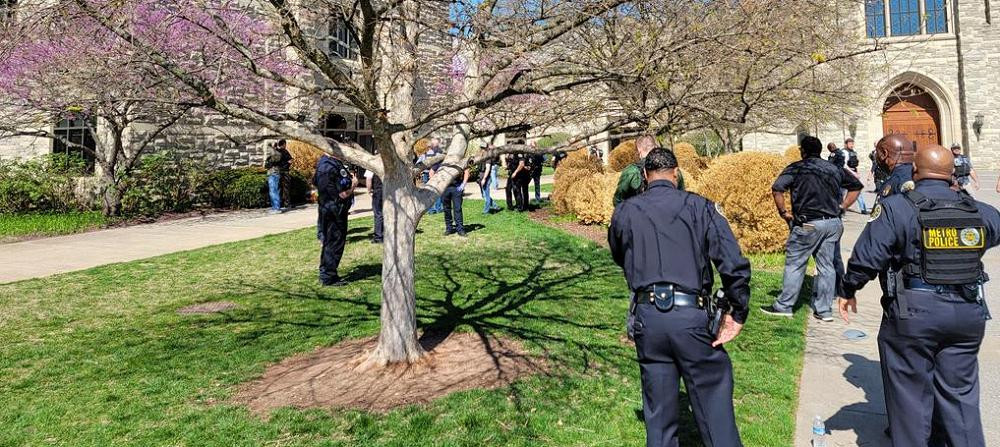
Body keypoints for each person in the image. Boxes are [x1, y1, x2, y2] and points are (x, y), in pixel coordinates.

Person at [839, 144, 1000, 447]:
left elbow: (868, 256)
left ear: (915, 171)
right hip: (967, 313)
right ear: (954, 174)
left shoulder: (897, 207)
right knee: (961, 399)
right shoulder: (977, 210)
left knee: (910, 400)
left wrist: (849, 289)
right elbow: (994, 228)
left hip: (914, 314)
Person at [609, 148, 751, 447]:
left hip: (648, 318)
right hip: (691, 317)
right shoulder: (701, 207)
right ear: (676, 174)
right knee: (714, 406)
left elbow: (619, 253)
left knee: (658, 418)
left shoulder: (625, 211)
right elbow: (732, 263)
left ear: (645, 176)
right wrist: (737, 312)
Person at [761, 136, 862, 321]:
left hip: (808, 224)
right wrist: (844, 206)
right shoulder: (833, 168)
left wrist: (783, 212)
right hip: (832, 223)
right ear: (821, 150)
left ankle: (784, 305)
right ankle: (824, 310)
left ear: (803, 151)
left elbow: (777, 189)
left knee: (795, 264)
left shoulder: (797, 168)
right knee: (827, 266)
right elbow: (856, 186)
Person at [314, 154, 355, 286]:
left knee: (330, 242)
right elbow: (341, 194)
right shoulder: (329, 166)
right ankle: (328, 276)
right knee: (334, 242)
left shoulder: (326, 163)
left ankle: (327, 272)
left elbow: (314, 181)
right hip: (334, 211)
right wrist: (353, 185)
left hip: (329, 208)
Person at [264, 139, 292, 213]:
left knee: (275, 190)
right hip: (276, 172)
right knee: (275, 190)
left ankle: (277, 207)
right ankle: (276, 206)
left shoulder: (277, 154)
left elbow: (271, 162)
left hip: (275, 173)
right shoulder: (277, 153)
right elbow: (267, 164)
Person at [441, 166, 470, 236]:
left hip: (457, 188)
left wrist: (463, 184)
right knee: (446, 209)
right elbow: (432, 171)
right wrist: (438, 186)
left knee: (458, 209)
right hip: (445, 188)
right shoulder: (444, 161)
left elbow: (467, 171)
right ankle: (449, 228)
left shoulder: (460, 160)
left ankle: (460, 229)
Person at [843, 138, 868, 214]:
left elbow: (854, 164)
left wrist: (857, 172)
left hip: (853, 172)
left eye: (852, 143)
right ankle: (840, 208)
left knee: (857, 190)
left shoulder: (853, 152)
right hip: (846, 173)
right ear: (846, 144)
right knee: (842, 192)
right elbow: (844, 165)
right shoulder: (844, 152)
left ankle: (863, 209)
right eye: (850, 143)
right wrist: (852, 173)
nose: (851, 145)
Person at [364, 167, 383, 244]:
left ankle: (379, 237)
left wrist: (369, 190)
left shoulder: (372, 163)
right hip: (389, 191)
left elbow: (368, 178)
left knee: (378, 214)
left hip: (378, 190)